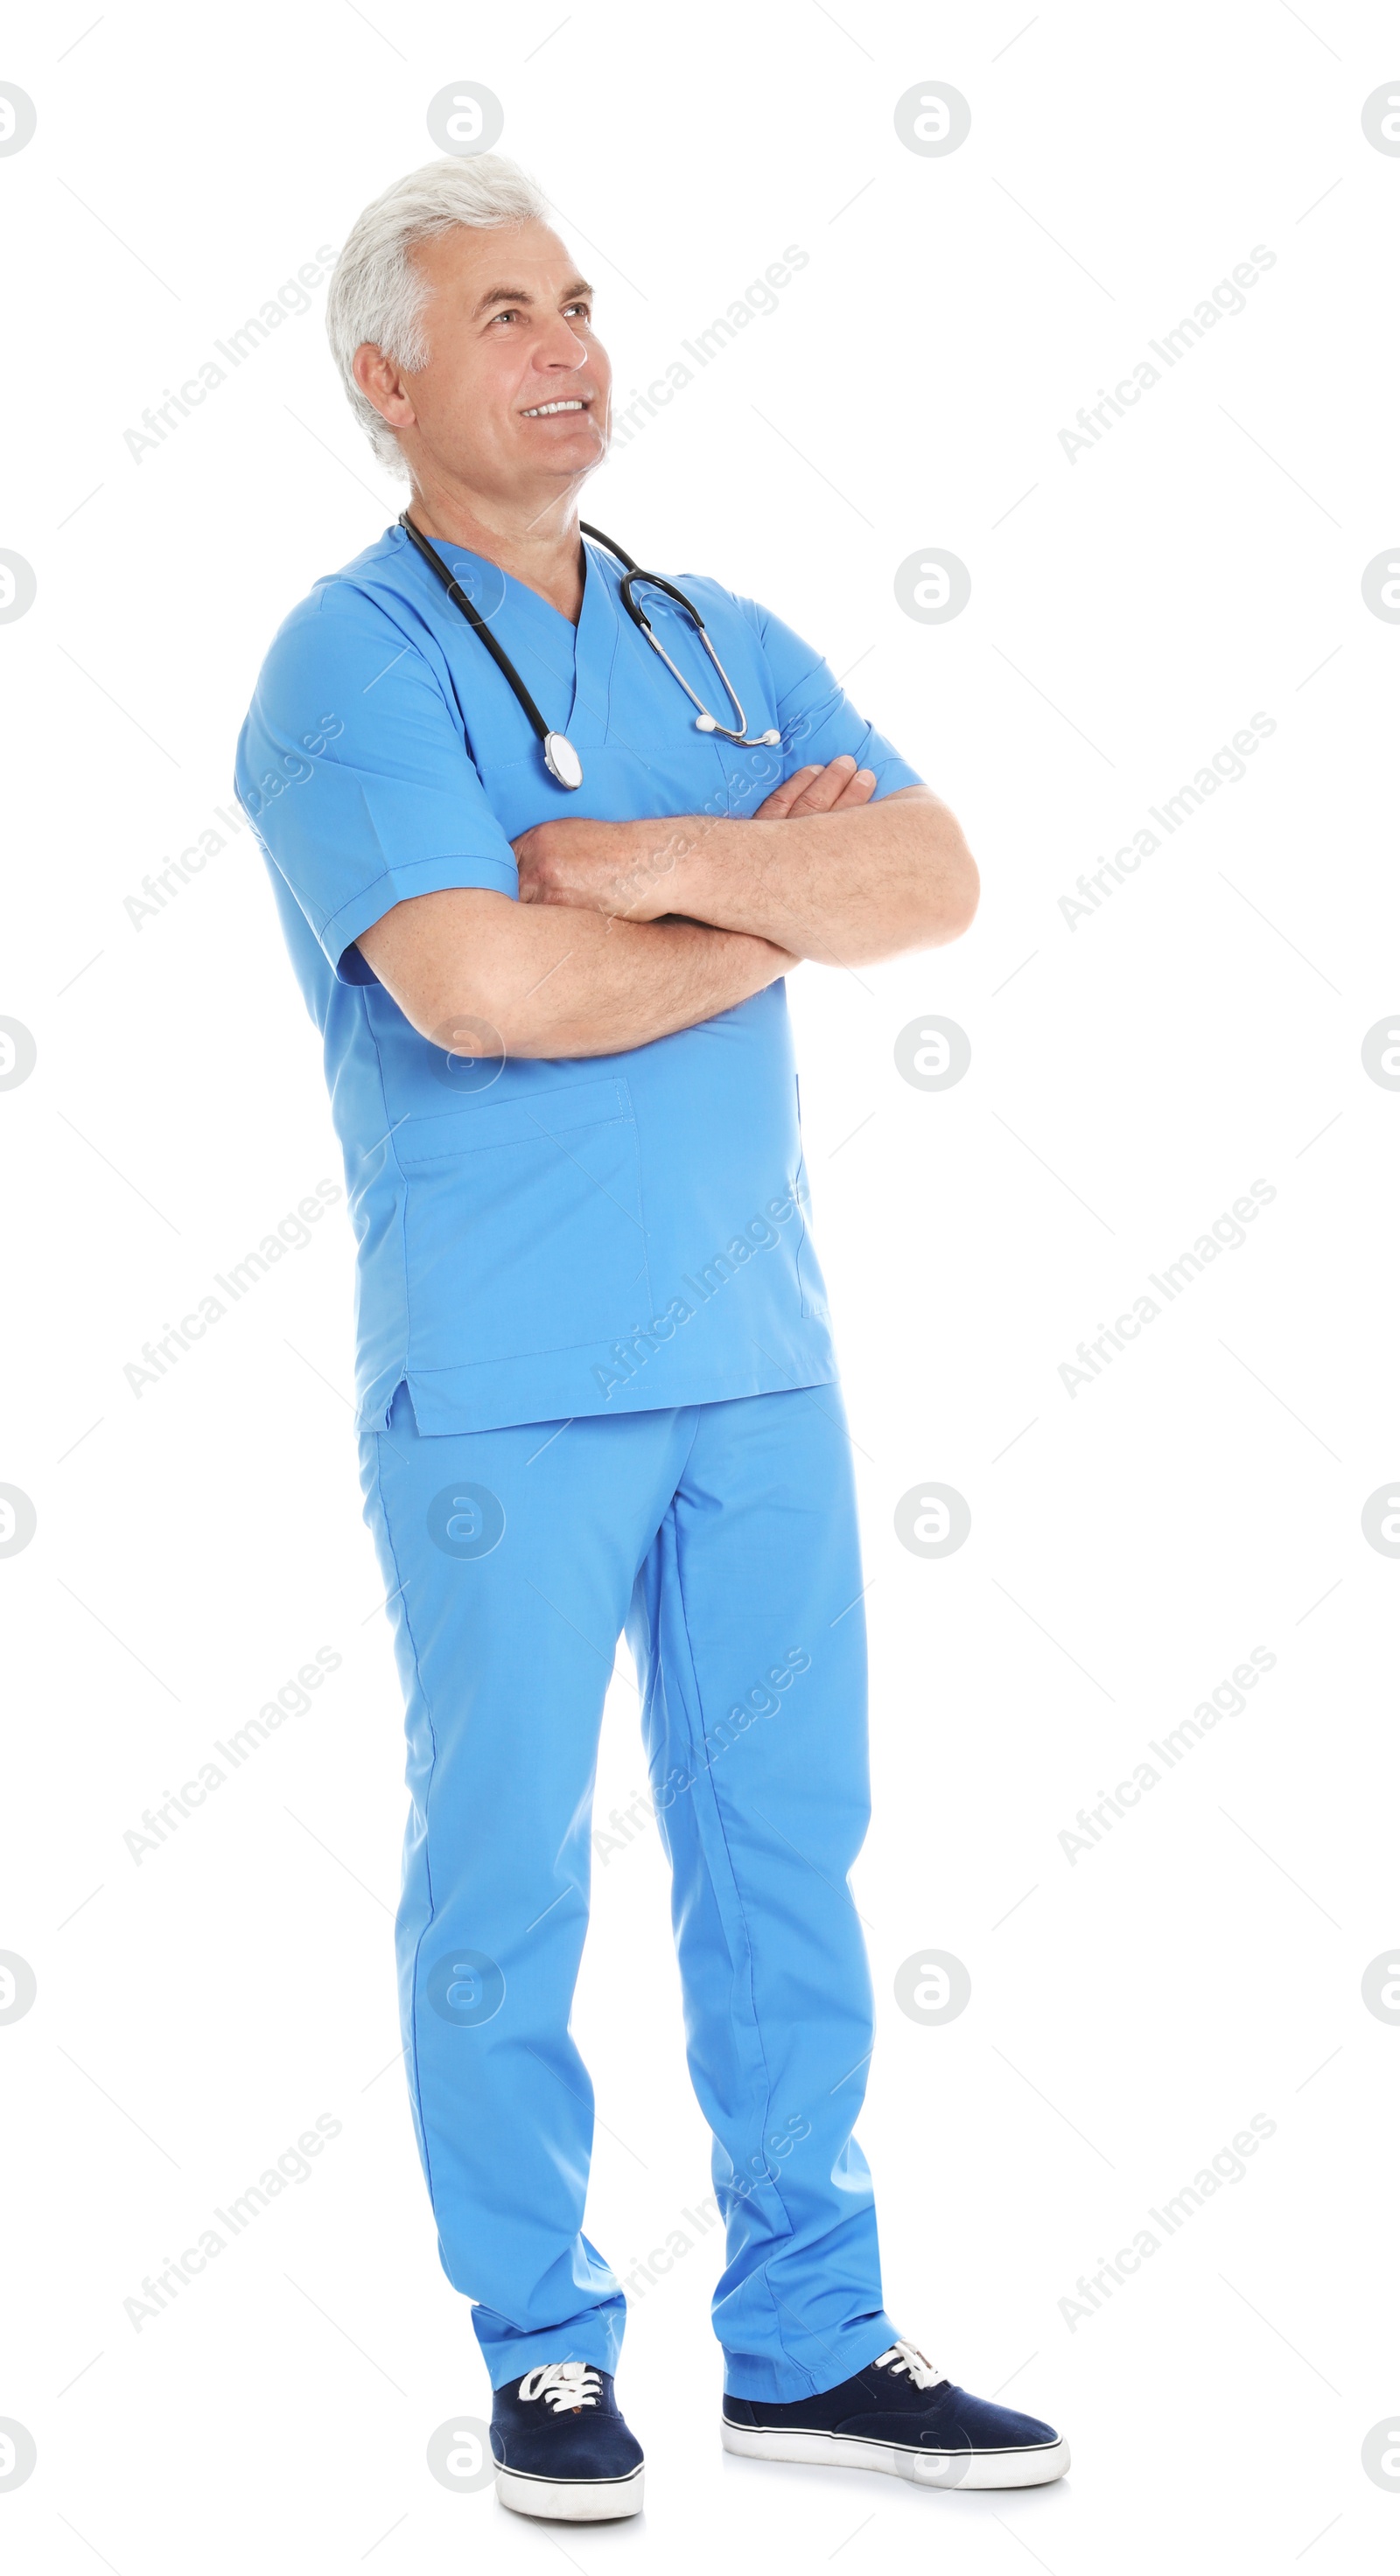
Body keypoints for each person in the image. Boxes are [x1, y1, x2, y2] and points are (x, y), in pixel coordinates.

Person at [234, 153, 1068, 2523]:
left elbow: (934, 872)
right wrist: (775, 898)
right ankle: (545, 2349)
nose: (563, 342)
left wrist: (678, 867)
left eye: (579, 296)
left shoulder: (717, 639)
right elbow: (479, 987)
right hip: (503, 1380)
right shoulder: (349, 665)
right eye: (502, 312)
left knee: (787, 1852)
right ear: (388, 382)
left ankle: (811, 2331)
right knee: (505, 1868)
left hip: (762, 1367)